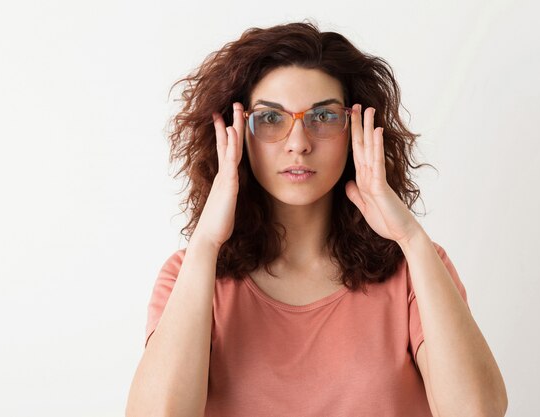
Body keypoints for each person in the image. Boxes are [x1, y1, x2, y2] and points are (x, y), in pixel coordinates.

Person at [126, 20, 508, 417]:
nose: (298, 144)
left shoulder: (415, 269)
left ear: (357, 131)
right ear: (236, 136)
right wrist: (205, 243)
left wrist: (410, 237)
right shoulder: (187, 276)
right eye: (271, 119)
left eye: (323, 118)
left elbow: (478, 411)